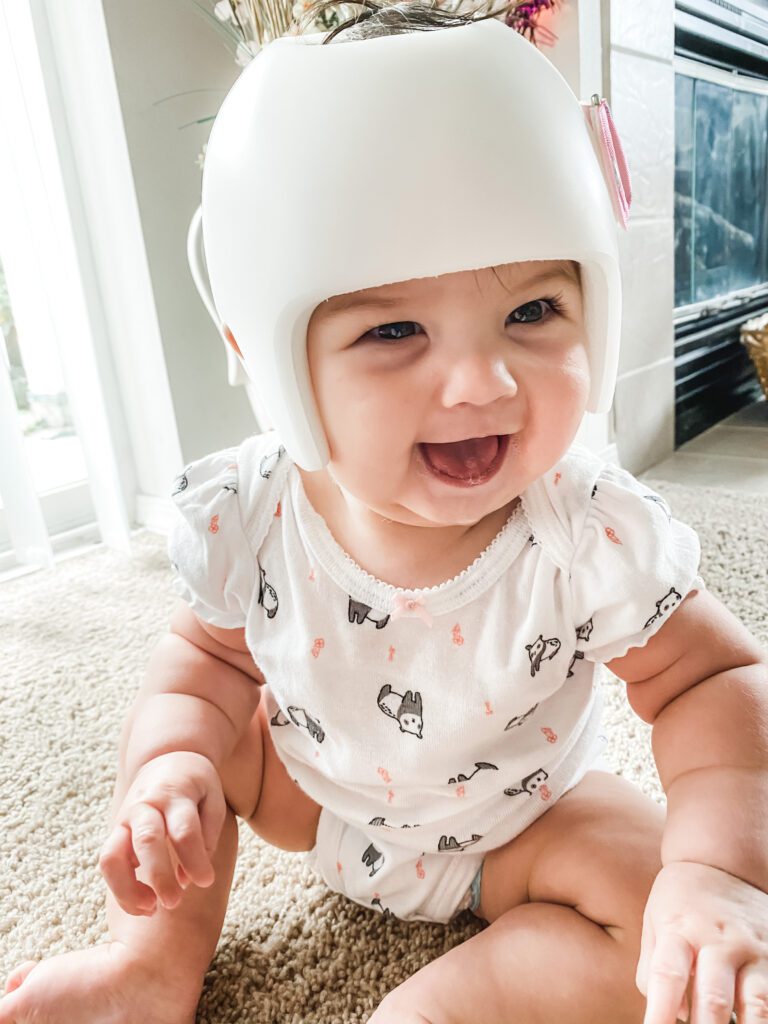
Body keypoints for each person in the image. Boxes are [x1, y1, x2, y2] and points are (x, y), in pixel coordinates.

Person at [3, 3, 767, 1023]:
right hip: (311, 802)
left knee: (674, 918)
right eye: (395, 329)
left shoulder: (586, 530)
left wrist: (716, 870)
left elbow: (712, 677)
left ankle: (457, 1000)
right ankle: (151, 965)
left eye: (532, 311)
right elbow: (208, 664)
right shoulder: (254, 511)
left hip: (524, 826)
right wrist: (176, 763)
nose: (480, 380)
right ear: (269, 355)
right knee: (189, 769)